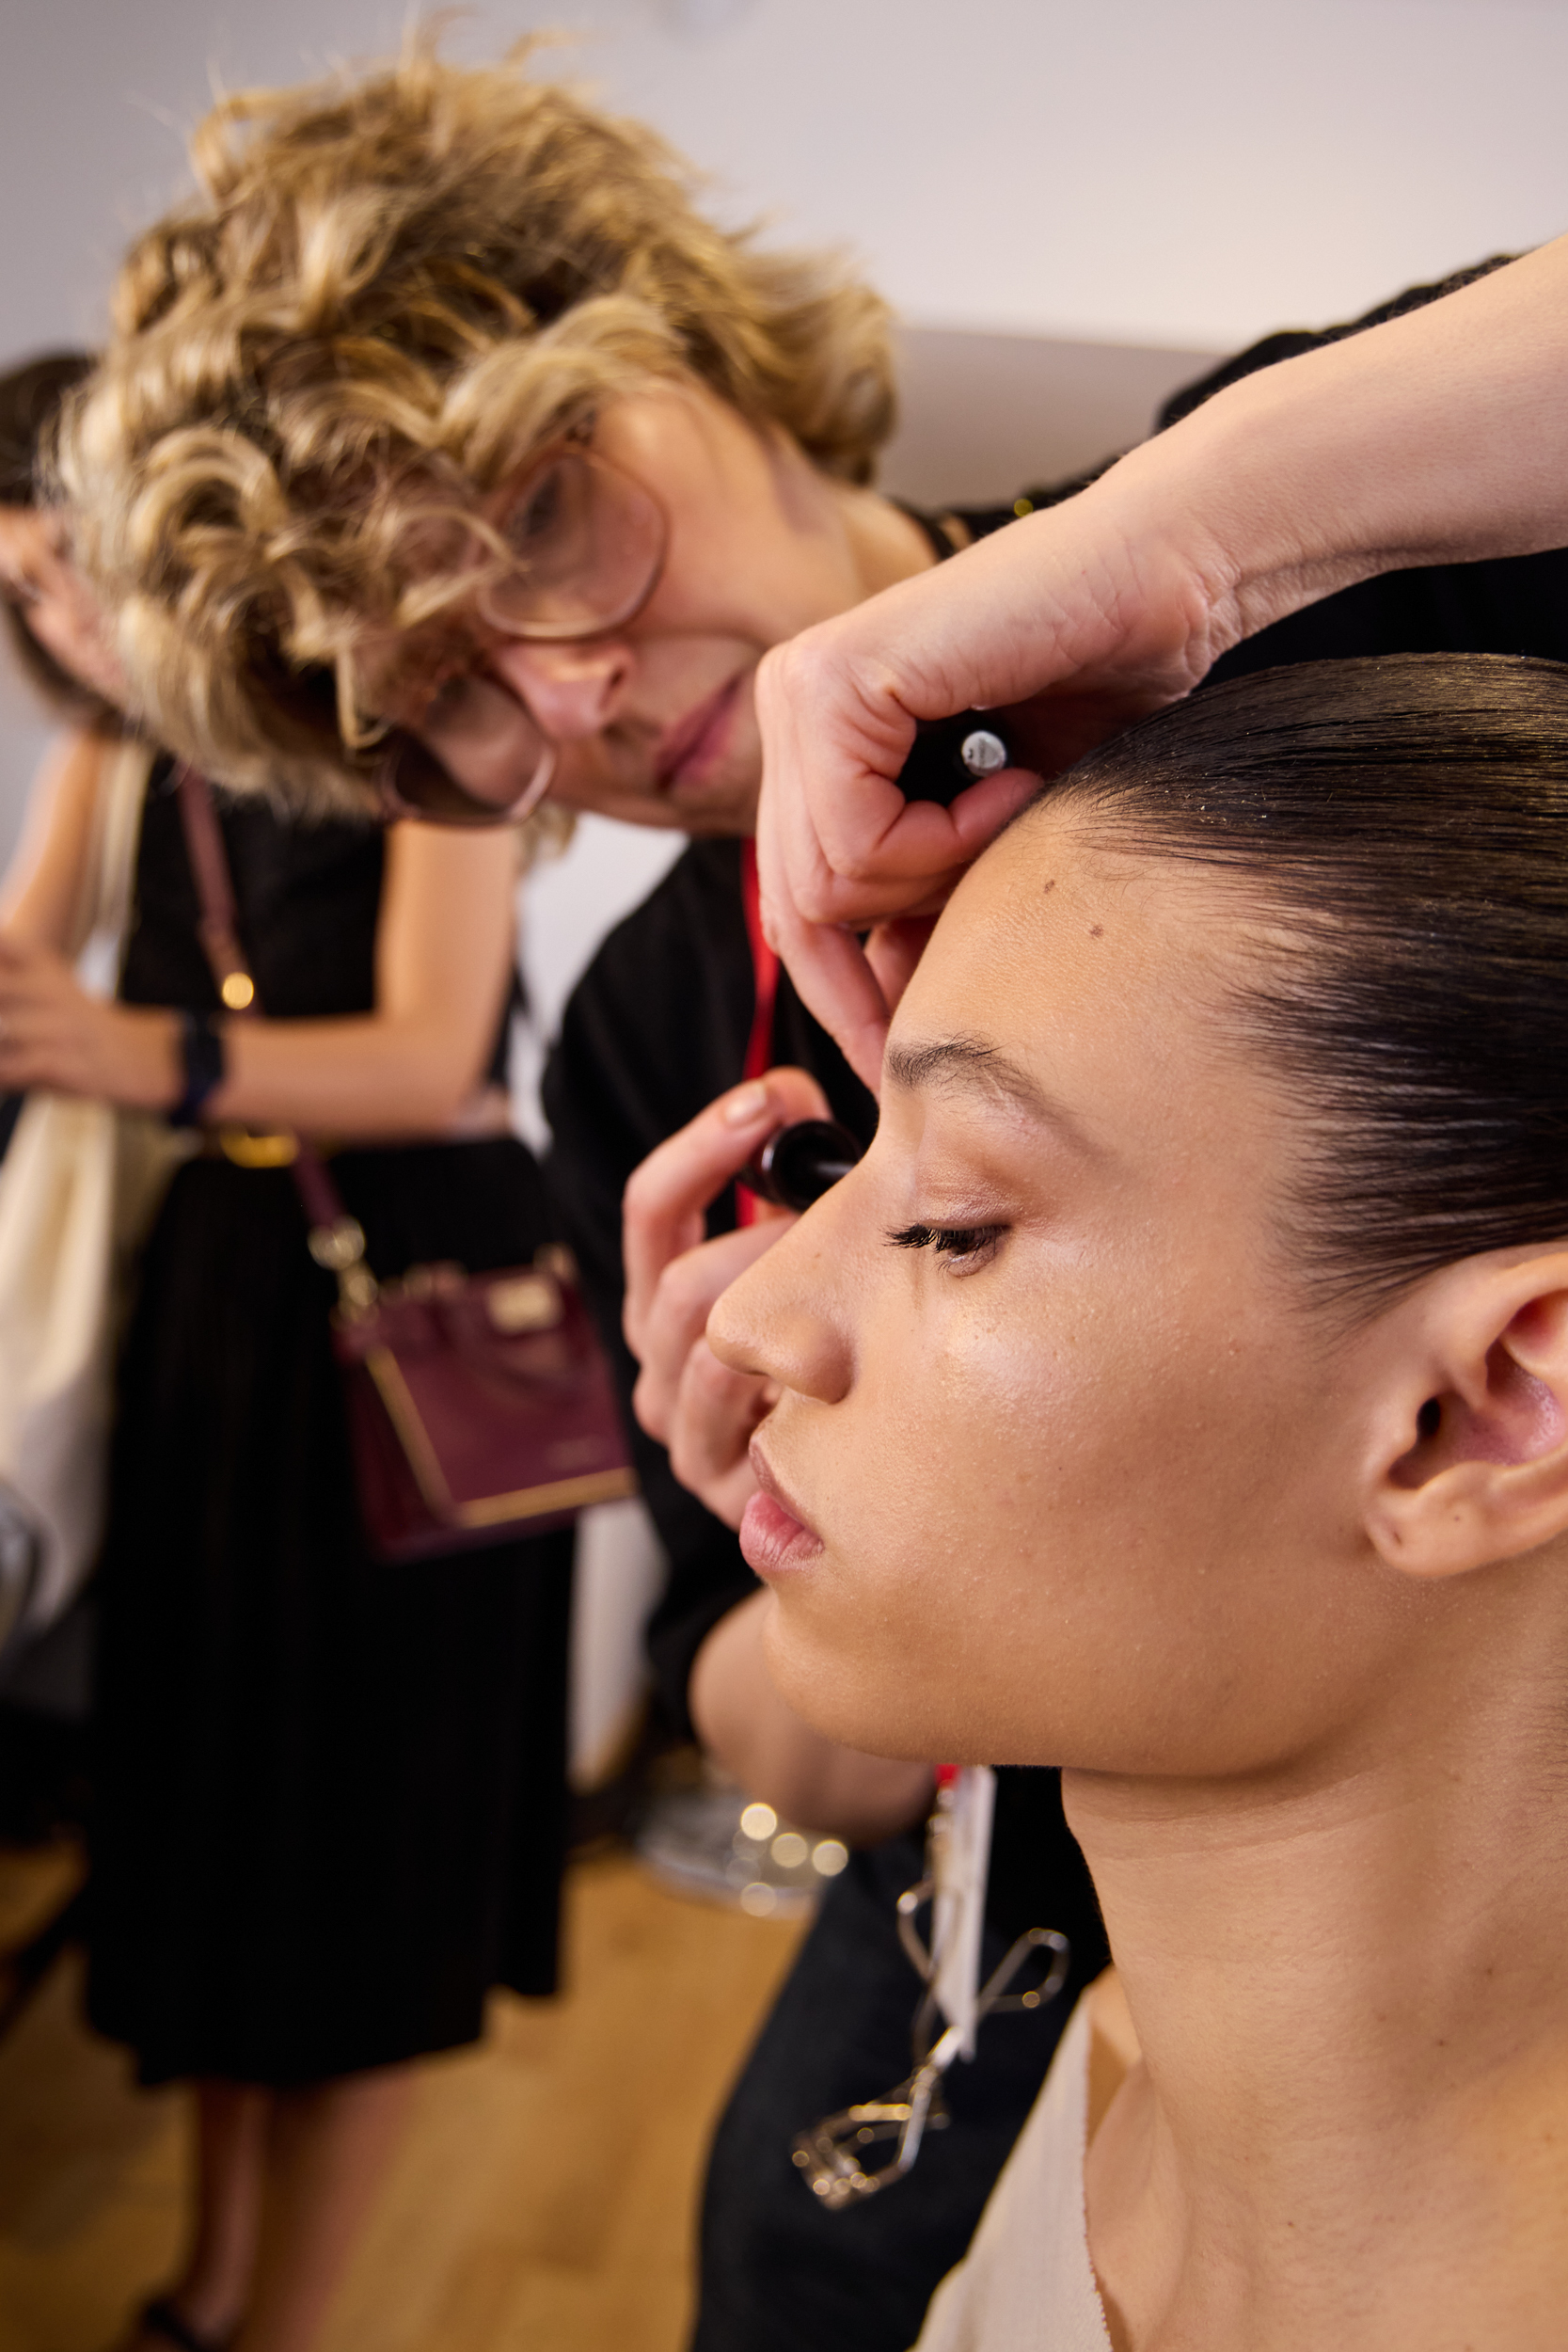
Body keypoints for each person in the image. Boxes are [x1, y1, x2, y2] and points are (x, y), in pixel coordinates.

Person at [50, 50, 1568, 2340]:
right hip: (1029, 1906)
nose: (562, 690)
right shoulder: (659, 1054)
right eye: (437, 690)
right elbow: (763, 1720)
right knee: (796, 2251)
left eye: (550, 511)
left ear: (694, 346)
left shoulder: (1294, 553)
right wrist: (779, 1512)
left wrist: (1203, 526)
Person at [710, 649, 1568, 2351]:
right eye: (848, 1169)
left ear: (1483, 1413)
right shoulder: (1120, 2077)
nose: (752, 1319)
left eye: (952, 1222)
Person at [0, 351, 575, 2352]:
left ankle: (278, 2322)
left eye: (77, 567)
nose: (60, 614)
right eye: (25, 590)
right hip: (229, 1288)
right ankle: (208, 2287)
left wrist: (138, 1050)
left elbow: (431, 1050)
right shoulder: (130, 743)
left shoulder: (406, 701)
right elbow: (28, 956)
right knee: (227, 1836)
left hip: (400, 1302)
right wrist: (104, 710)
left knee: (356, 1861)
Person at [746, 235, 1568, 1084]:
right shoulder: (630, 1044)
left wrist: (1191, 542)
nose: (593, 693)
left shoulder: (1251, 465)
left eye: (595, 525)